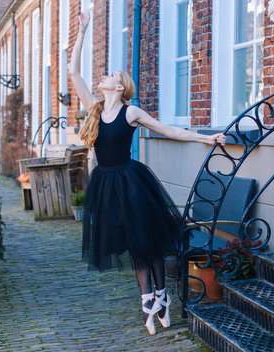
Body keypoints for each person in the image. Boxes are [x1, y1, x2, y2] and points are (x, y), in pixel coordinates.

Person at [68, 12, 226, 335]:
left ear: (120, 85)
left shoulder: (131, 111)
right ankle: (148, 303)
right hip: (106, 186)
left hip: (131, 184)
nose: (104, 76)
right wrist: (83, 30)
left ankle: (161, 297)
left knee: (147, 243)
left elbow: (169, 130)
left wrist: (205, 137)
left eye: (110, 74)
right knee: (133, 246)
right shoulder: (94, 108)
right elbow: (72, 71)